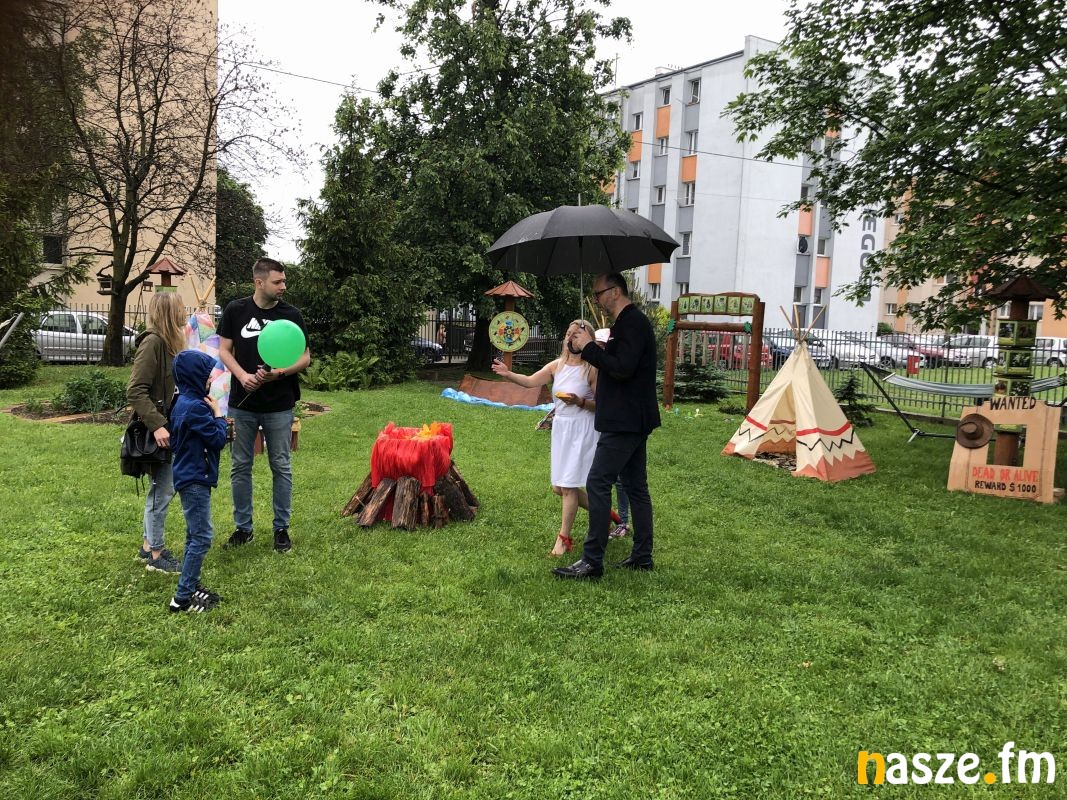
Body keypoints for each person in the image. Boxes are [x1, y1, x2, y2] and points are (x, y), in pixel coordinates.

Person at [553, 272, 660, 579]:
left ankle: (592, 560)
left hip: (625, 419)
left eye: (599, 293)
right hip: (630, 417)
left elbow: (622, 369)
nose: (596, 299)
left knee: (598, 483)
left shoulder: (632, 324)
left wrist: (589, 348)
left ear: (614, 291)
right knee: (636, 487)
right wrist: (586, 348)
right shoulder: (623, 325)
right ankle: (642, 556)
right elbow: (613, 366)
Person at [218, 257, 311, 553]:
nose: (283, 286)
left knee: (281, 466)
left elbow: (305, 356)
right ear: (259, 282)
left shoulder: (291, 315)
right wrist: (243, 376)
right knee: (240, 466)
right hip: (242, 404)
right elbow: (224, 350)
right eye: (277, 281)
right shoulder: (236, 310)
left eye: (284, 281)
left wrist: (279, 373)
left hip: (279, 405)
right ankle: (243, 529)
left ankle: (281, 529)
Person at [492, 321, 599, 556]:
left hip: (582, 429)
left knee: (568, 486)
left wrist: (579, 401)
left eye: (577, 335)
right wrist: (508, 374)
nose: (571, 338)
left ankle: (563, 540)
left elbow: (602, 405)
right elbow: (531, 381)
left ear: (587, 340)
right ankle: (604, 512)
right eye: (569, 334)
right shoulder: (557, 366)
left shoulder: (591, 369)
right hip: (562, 429)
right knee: (558, 487)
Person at [126, 291, 185, 573]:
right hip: (158, 430)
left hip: (169, 426)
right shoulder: (153, 343)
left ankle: (148, 545)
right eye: (180, 308)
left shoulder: (170, 343)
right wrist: (158, 425)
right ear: (170, 313)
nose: (184, 313)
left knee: (160, 488)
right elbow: (135, 390)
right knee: (163, 489)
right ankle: (157, 554)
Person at [168, 350, 229, 613]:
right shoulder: (195, 407)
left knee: (193, 534)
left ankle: (190, 585)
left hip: (189, 475)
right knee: (202, 537)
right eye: (206, 376)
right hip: (194, 478)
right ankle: (181, 599)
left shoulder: (183, 402)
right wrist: (218, 415)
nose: (210, 380)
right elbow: (217, 439)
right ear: (195, 377)